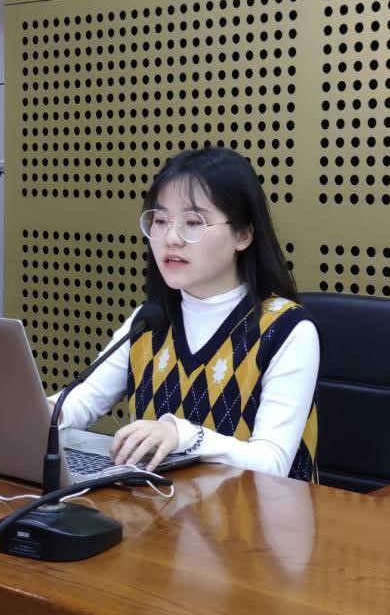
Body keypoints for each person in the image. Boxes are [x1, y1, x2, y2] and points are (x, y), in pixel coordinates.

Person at [49, 146, 320, 481]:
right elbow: (81, 403)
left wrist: (185, 435)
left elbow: (272, 461)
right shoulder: (150, 320)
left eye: (193, 223)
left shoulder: (286, 329)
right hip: (161, 508)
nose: (171, 238)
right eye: (160, 221)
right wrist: (39, 412)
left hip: (262, 512)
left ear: (243, 235)